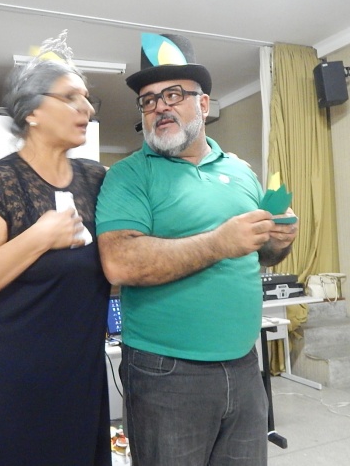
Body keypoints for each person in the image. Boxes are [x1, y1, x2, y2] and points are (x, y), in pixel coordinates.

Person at [95, 33, 298, 466]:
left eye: (173, 94)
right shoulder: (128, 176)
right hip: (166, 373)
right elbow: (119, 262)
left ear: (203, 104)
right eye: (148, 100)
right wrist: (218, 243)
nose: (159, 107)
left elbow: (259, 255)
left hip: (244, 363)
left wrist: (277, 242)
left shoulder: (240, 172)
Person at [0, 31, 112, 466]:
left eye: (87, 98)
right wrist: (38, 238)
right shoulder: (1, 180)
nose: (87, 109)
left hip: (77, 379)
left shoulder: (96, 179)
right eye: (71, 97)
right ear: (32, 111)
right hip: (2, 382)